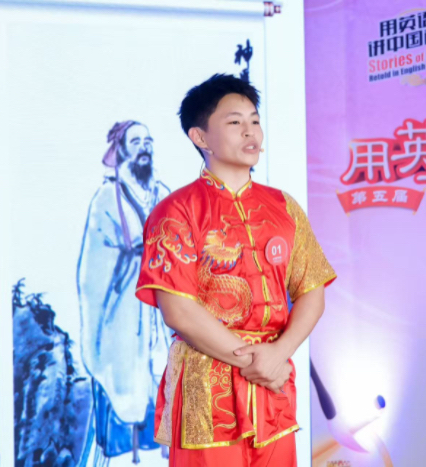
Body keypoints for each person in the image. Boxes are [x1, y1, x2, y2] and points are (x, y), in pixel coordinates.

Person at [135, 74, 336, 466]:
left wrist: (280, 353)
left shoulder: (284, 207)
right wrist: (261, 364)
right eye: (234, 122)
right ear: (200, 137)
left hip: (273, 391)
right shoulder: (177, 211)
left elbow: (312, 290)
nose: (250, 132)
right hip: (207, 388)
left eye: (255, 121)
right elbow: (179, 311)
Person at [78, 121, 171, 465]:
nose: (144, 147)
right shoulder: (107, 198)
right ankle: (126, 455)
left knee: (164, 369)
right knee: (129, 375)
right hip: (125, 307)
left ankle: (165, 450)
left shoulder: (163, 192)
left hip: (163, 306)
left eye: (148, 141)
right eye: (136, 142)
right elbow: (96, 265)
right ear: (122, 151)